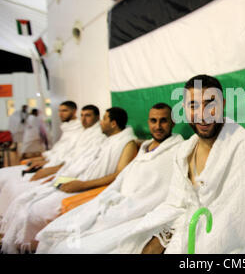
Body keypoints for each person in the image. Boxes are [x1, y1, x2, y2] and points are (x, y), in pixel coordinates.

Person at [115, 75, 245, 254]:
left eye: (210, 104)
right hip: (182, 233)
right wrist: (161, 238)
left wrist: (181, 245)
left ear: (223, 104)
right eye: (193, 105)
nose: (202, 114)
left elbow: (237, 220)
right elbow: (174, 205)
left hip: (223, 244)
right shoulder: (184, 150)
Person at [36, 103, 184, 253]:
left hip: (138, 211)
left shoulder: (179, 151)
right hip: (118, 203)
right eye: (153, 121)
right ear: (148, 122)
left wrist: (126, 206)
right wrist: (109, 199)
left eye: (163, 121)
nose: (158, 126)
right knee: (61, 236)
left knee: (75, 248)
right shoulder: (145, 148)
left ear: (173, 122)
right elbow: (123, 176)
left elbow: (161, 190)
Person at [0, 107, 138, 253]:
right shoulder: (107, 140)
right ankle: (16, 244)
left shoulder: (127, 143)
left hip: (87, 186)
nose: (101, 123)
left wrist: (82, 184)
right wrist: (63, 175)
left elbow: (118, 174)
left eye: (104, 119)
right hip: (78, 180)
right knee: (26, 201)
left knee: (35, 210)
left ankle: (29, 246)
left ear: (113, 123)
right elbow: (84, 162)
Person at [0, 105, 106, 218]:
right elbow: (63, 153)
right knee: (14, 187)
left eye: (88, 115)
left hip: (67, 172)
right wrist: (45, 162)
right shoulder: (81, 131)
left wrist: (55, 171)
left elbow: (80, 161)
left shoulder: (96, 135)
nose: (83, 119)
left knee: (27, 202)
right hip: (60, 167)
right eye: (82, 115)